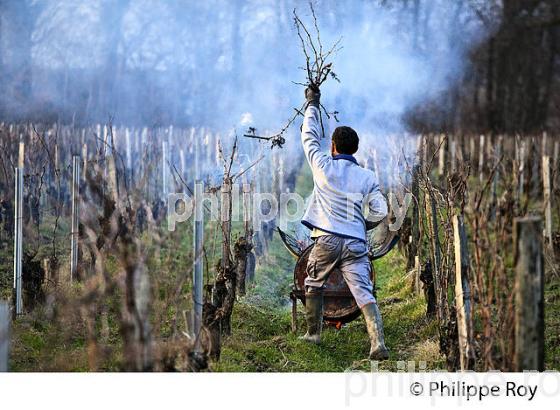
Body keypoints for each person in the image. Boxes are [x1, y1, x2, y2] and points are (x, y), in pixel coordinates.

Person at [299, 85, 389, 360]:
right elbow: (380, 210)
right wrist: (363, 225)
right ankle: (377, 344)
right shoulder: (367, 177)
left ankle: (313, 334)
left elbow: (308, 137)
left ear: (333, 147)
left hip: (326, 239)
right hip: (355, 243)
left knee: (313, 283)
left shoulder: (323, 166)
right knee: (364, 292)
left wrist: (312, 105)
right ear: (356, 149)